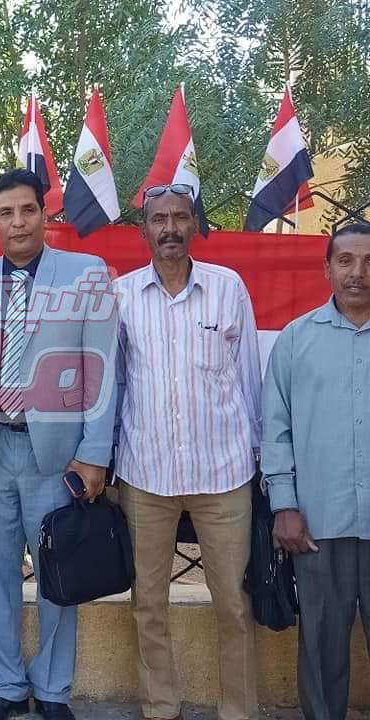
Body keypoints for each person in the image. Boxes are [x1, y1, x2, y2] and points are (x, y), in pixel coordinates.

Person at [0, 169, 119, 720]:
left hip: (58, 456)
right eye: (6, 213)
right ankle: (4, 686)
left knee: (57, 571)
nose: (17, 222)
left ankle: (52, 689)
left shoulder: (86, 275)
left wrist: (94, 454)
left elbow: (102, 370)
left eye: (27, 210)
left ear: (45, 215)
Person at [114, 184, 261, 720]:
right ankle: (161, 708)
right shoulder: (122, 295)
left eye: (180, 217)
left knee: (233, 604)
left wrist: (260, 460)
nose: (170, 228)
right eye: (159, 219)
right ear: (144, 230)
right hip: (145, 475)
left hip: (223, 475)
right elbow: (115, 384)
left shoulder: (228, 288)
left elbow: (249, 380)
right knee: (148, 604)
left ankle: (237, 711)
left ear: (195, 225)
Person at [262, 222, 370, 720]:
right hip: (318, 523)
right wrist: (283, 505)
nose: (357, 272)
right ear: (327, 268)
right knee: (323, 646)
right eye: (345, 260)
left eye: (368, 262)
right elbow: (275, 430)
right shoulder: (295, 340)